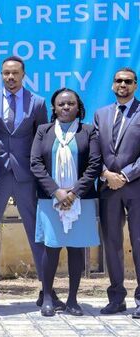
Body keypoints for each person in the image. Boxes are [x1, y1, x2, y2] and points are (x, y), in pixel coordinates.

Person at [0, 56, 59, 310]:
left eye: (15, 74)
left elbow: (43, 140)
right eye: (5, 73)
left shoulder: (37, 102)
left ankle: (47, 292)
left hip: (27, 178)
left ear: (23, 75)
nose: (10, 78)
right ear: (0, 75)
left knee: (38, 235)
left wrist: (44, 177)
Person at [31, 88, 101, 316]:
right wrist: (57, 192)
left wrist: (73, 193)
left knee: (76, 249)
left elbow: (94, 165)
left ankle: (72, 299)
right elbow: (36, 164)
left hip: (81, 200)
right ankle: (48, 296)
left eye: (70, 103)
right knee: (50, 248)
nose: (66, 107)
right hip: (50, 200)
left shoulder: (88, 131)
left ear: (78, 107)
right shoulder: (44, 131)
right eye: (61, 104)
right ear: (54, 108)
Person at [94, 67, 140, 318]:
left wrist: (125, 176)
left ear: (135, 85)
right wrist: (105, 174)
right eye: (119, 81)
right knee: (111, 244)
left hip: (135, 187)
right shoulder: (101, 114)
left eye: (128, 81)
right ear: (113, 85)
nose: (123, 84)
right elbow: (95, 151)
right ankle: (116, 298)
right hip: (108, 188)